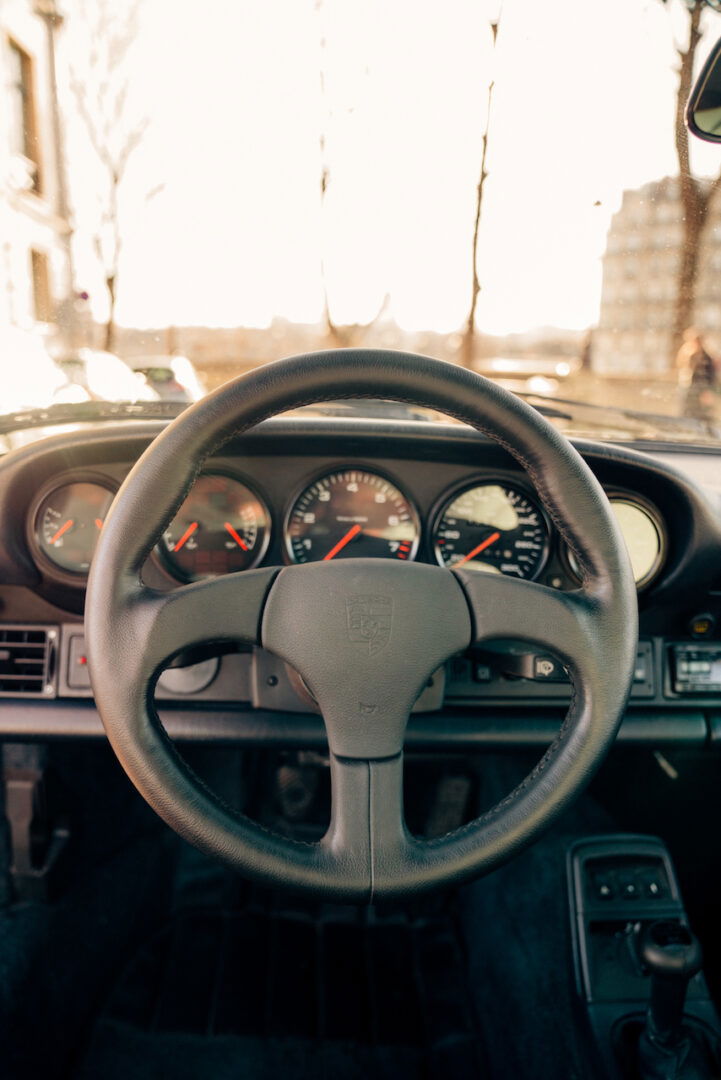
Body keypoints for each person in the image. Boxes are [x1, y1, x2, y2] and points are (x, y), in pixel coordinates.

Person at [675, 328, 719, 423]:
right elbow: (683, 371)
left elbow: (711, 375)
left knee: (703, 414)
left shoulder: (706, 357)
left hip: (701, 389)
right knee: (687, 412)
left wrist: (708, 391)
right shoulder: (686, 354)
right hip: (688, 388)